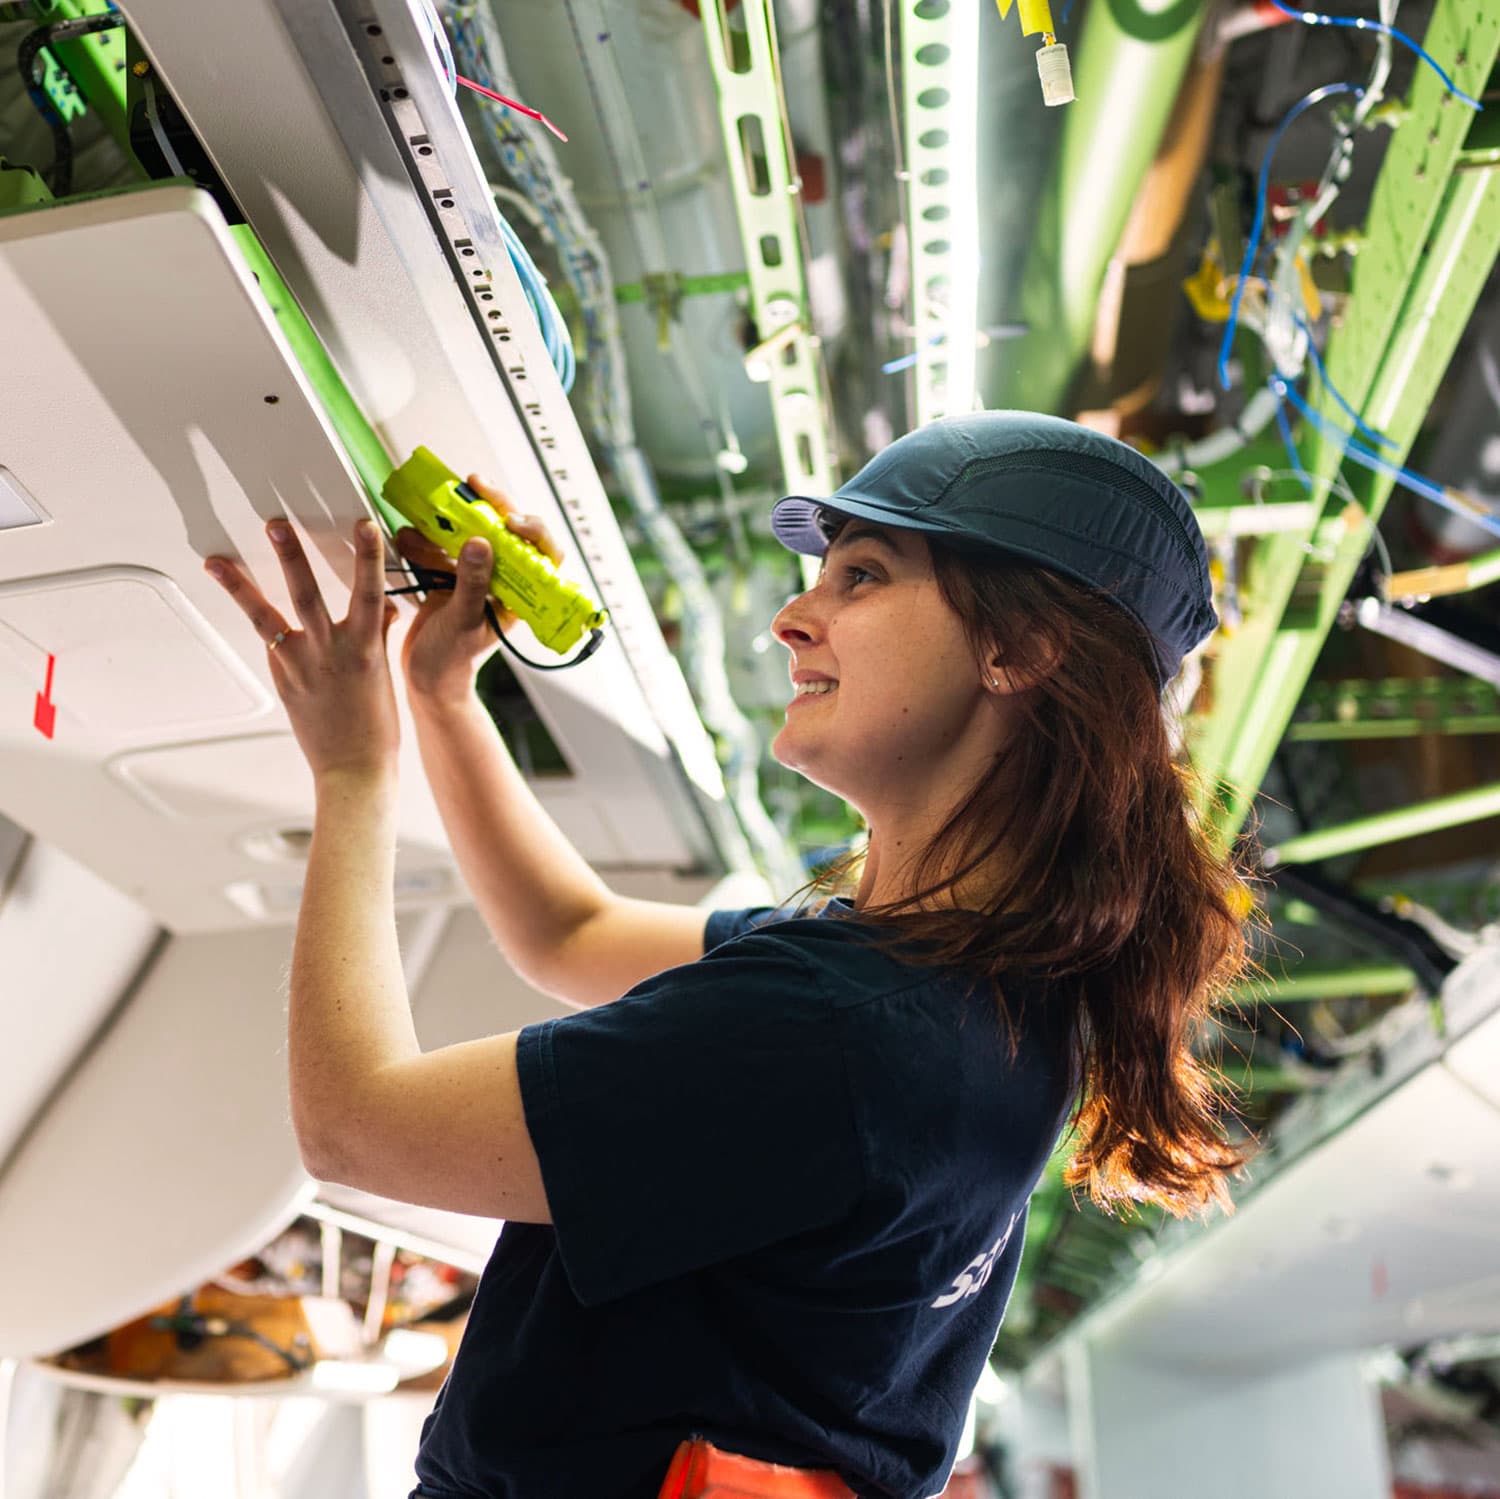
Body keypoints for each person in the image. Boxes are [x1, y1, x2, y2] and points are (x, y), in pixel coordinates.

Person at [204, 410, 1264, 1499]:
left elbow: (354, 1125)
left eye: (862, 574)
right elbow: (564, 931)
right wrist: (439, 695)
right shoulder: (974, 997)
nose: (791, 618)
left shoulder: (844, 1029)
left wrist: (351, 771)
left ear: (1020, 648)